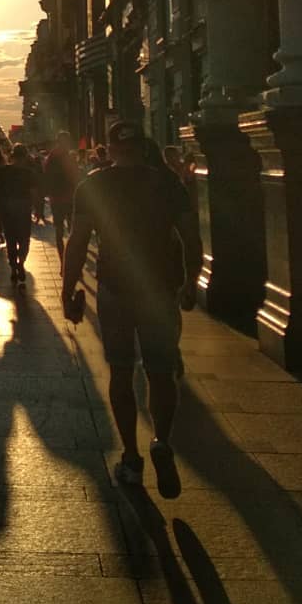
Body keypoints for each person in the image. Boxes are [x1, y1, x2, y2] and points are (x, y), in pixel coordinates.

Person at [62, 120, 202, 499]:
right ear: (143, 148)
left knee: (121, 373)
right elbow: (191, 235)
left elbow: (77, 242)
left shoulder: (94, 185)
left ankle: (131, 457)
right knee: (161, 371)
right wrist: (192, 279)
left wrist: (68, 287)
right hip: (160, 288)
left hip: (115, 289)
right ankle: (161, 441)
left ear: (109, 150)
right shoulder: (167, 182)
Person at [0, 145, 39, 284]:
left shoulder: (3, 171)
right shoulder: (29, 173)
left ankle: (14, 268)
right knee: (24, 239)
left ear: (12, 156)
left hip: (7, 208)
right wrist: (37, 209)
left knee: (11, 239)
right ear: (25, 157)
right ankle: (21, 262)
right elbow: (33, 192)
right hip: (24, 207)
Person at [43, 132, 80, 266]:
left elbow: (46, 176)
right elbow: (76, 177)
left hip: (56, 199)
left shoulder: (51, 157)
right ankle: (72, 262)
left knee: (59, 231)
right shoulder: (70, 157)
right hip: (70, 198)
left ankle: (63, 263)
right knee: (72, 231)